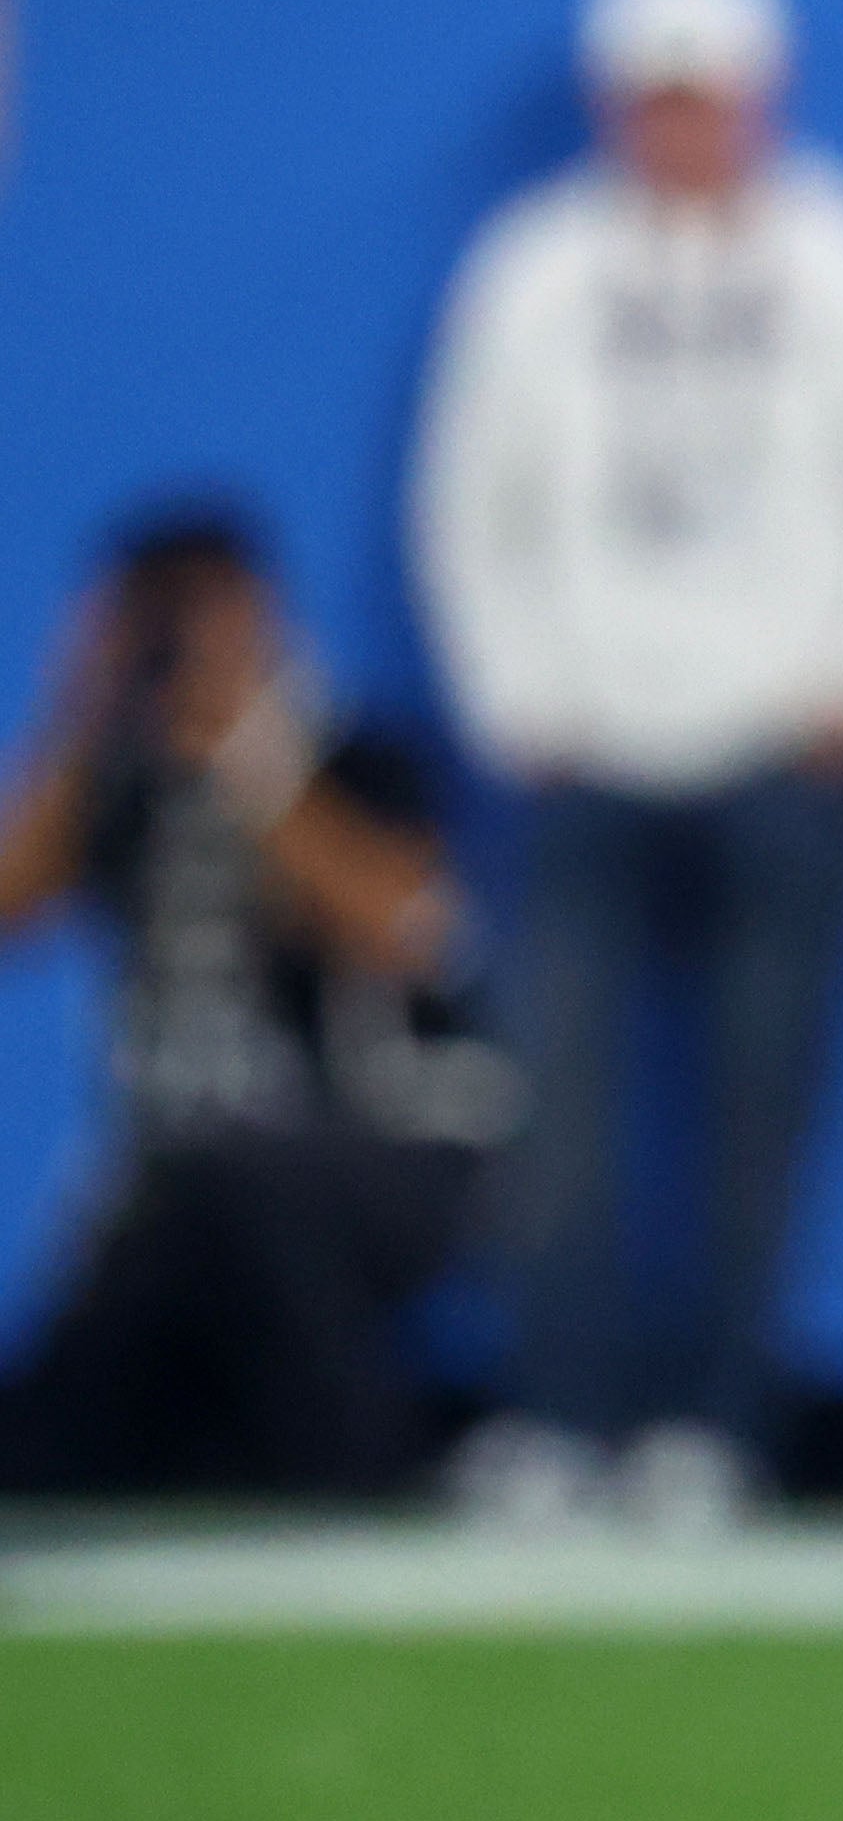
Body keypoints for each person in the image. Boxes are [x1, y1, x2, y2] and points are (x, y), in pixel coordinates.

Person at [410, 0, 843, 1525]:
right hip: (588, 744)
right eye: (653, 98)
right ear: (615, 103)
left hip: (784, 749)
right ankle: (553, 1414)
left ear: (762, 95)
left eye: (707, 96)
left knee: (761, 1118)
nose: (679, 126)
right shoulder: (534, 270)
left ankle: (718, 1427)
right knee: (559, 1113)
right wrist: (515, 698)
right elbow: (474, 503)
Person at [0, 507, 513, 1496]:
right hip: (179, 1166)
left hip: (390, 1144)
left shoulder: (351, 752)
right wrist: (77, 720)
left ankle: (375, 1469)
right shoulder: (114, 780)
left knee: (245, 1173)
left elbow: (408, 931)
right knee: (88, 1362)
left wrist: (248, 759)